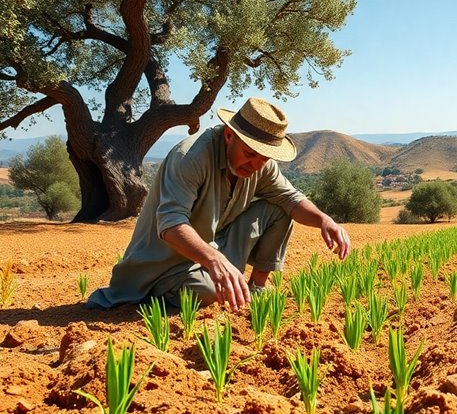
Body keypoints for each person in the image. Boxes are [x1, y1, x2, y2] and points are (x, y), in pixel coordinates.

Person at [87, 97, 350, 311]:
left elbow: (291, 199)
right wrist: (214, 260)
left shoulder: (260, 164)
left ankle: (256, 289)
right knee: (211, 290)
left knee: (279, 210)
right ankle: (163, 292)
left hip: (212, 248)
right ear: (229, 135)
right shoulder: (190, 158)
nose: (256, 165)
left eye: (265, 158)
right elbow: (170, 224)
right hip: (165, 264)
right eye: (250, 154)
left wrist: (324, 219)